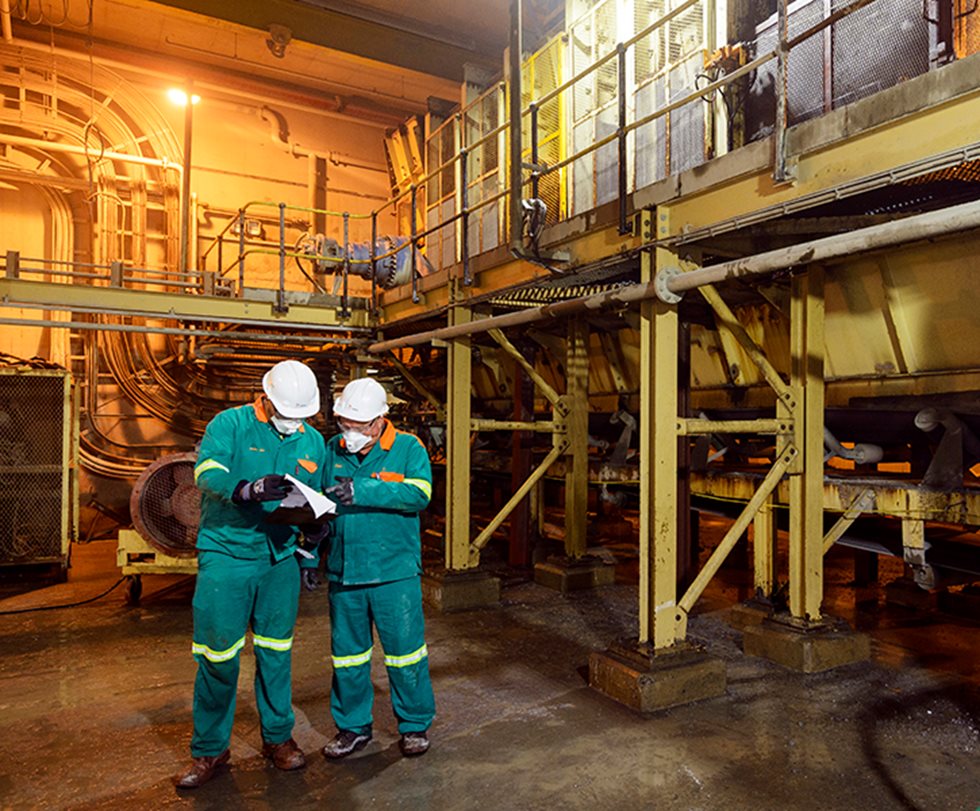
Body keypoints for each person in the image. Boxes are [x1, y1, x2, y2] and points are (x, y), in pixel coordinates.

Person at [175, 360, 328, 789]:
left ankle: (278, 739)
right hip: (227, 553)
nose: (292, 424)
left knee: (276, 653)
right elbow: (207, 472)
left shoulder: (311, 440)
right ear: (264, 397)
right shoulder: (230, 424)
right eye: (286, 414)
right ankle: (209, 749)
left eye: (301, 417)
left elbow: (312, 497)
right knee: (217, 656)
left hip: (279, 558)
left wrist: (313, 536)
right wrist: (243, 489)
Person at [319, 377, 436, 759]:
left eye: (356, 426)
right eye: (343, 424)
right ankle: (352, 728)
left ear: (379, 421)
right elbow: (317, 504)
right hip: (345, 570)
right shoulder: (331, 449)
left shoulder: (407, 448)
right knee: (348, 657)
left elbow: (419, 494)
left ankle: (415, 725)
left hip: (393, 572)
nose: (348, 433)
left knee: (405, 654)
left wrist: (364, 489)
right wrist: (309, 551)